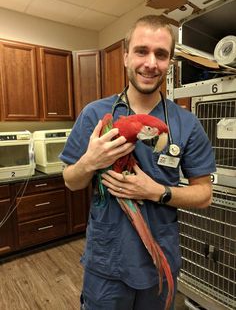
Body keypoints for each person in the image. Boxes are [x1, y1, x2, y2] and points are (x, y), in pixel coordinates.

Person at [60, 15, 216, 310]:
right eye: (142, 51)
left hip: (159, 261)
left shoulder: (187, 124)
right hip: (107, 262)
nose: (151, 63)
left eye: (161, 54)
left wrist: (155, 191)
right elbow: (71, 181)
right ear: (126, 56)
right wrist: (90, 162)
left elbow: (204, 194)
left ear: (169, 62)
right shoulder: (95, 115)